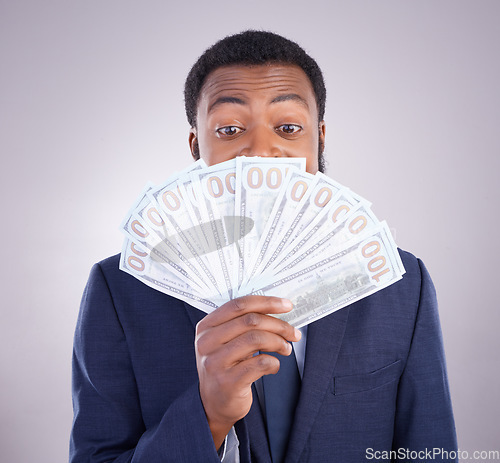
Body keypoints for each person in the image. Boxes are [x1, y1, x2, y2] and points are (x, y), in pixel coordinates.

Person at [70, 31, 458, 462]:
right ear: (197, 146)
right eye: (231, 129)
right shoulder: (120, 289)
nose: (260, 152)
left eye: (288, 127)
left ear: (320, 139)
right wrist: (208, 416)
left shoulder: (400, 285)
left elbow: (430, 452)